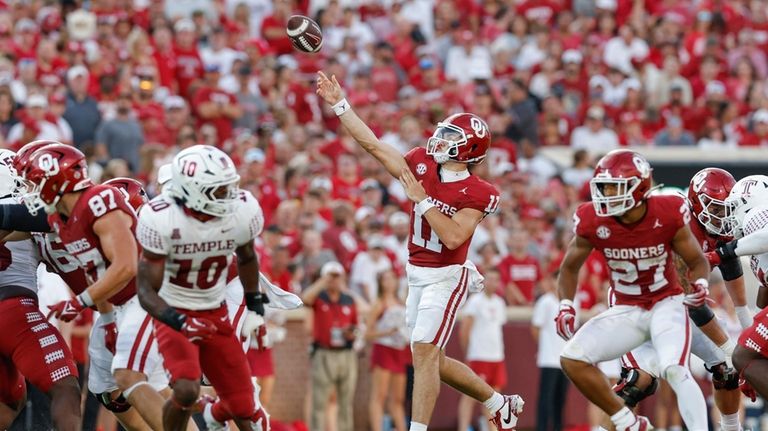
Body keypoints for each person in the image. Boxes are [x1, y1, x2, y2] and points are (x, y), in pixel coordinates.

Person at [316, 71, 523, 431]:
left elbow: (455, 237)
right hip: (415, 273)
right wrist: (340, 105)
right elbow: (375, 147)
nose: (439, 139)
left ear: (468, 150)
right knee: (432, 358)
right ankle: (497, 403)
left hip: (447, 277)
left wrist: (423, 201)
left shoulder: (478, 191)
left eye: (450, 137)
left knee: (425, 351)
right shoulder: (421, 163)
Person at [17, 143, 171, 430]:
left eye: (34, 181)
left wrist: (79, 303)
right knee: (109, 392)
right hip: (113, 305)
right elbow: (94, 270)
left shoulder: (100, 200)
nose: (30, 190)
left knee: (130, 376)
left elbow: (125, 266)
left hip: (144, 296)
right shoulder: (58, 218)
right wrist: (109, 319)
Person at [556, 149, 711, 431]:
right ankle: (628, 422)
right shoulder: (592, 219)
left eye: (615, 187)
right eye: (603, 187)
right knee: (572, 358)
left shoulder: (666, 212)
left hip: (666, 304)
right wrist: (566, 303)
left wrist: (700, 283)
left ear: (639, 187)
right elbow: (568, 267)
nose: (606, 195)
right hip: (627, 307)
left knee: (673, 369)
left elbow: (697, 261)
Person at [136, 144, 267, 431]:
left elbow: (246, 257)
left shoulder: (240, 211)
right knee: (185, 389)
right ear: (193, 190)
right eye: (220, 190)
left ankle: (212, 414)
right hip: (174, 309)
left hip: (214, 310)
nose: (229, 196)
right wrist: (180, 321)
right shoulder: (162, 218)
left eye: (228, 187)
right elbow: (145, 291)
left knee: (244, 406)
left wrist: (256, 306)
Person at [610, 169, 747, 431]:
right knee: (638, 382)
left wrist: (744, 322)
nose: (722, 216)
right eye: (716, 209)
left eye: (726, 209)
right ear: (696, 203)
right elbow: (695, 306)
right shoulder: (680, 228)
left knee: (726, 371)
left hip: (677, 307)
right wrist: (732, 350)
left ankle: (731, 429)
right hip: (638, 305)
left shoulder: (720, 229)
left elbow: (731, 270)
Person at [0, 152, 82, 431]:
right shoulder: (21, 208)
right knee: (65, 387)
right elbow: (61, 214)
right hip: (13, 311)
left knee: (10, 404)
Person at [301, 261, 359, 431]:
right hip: (323, 353)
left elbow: (356, 326)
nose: (334, 280)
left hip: (346, 354)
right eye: (330, 276)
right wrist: (323, 281)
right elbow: (305, 298)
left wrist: (351, 332)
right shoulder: (319, 297)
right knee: (319, 401)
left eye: (337, 276)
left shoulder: (349, 299)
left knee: (345, 402)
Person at [458, 268, 509, 431]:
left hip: (496, 356)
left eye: (496, 279)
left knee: (493, 397)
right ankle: (463, 427)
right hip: (479, 355)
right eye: (489, 279)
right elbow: (464, 330)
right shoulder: (475, 302)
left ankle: (491, 428)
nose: (492, 283)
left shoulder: (500, 302)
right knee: (470, 396)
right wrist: (468, 353)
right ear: (483, 281)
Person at [366, 269, 408, 431]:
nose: (389, 282)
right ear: (380, 283)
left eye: (392, 279)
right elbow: (367, 334)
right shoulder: (378, 304)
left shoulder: (401, 303)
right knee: (379, 396)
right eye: (385, 279)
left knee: (398, 398)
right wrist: (387, 332)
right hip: (383, 350)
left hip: (399, 351)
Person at [531, 270, 568, 431]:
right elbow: (535, 328)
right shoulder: (545, 302)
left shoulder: (572, 302)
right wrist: (544, 346)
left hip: (565, 359)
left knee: (561, 399)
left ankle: (558, 428)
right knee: (546, 398)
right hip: (548, 358)